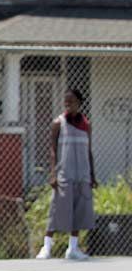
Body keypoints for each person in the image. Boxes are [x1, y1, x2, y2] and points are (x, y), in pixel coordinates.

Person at [36, 89, 96, 260]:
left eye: (71, 102)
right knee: (57, 209)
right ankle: (46, 246)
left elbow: (89, 150)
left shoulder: (86, 124)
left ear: (79, 103)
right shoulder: (58, 122)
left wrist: (92, 174)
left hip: (82, 174)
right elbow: (53, 150)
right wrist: (53, 173)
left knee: (79, 211)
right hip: (64, 173)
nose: (68, 105)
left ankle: (73, 248)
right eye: (66, 102)